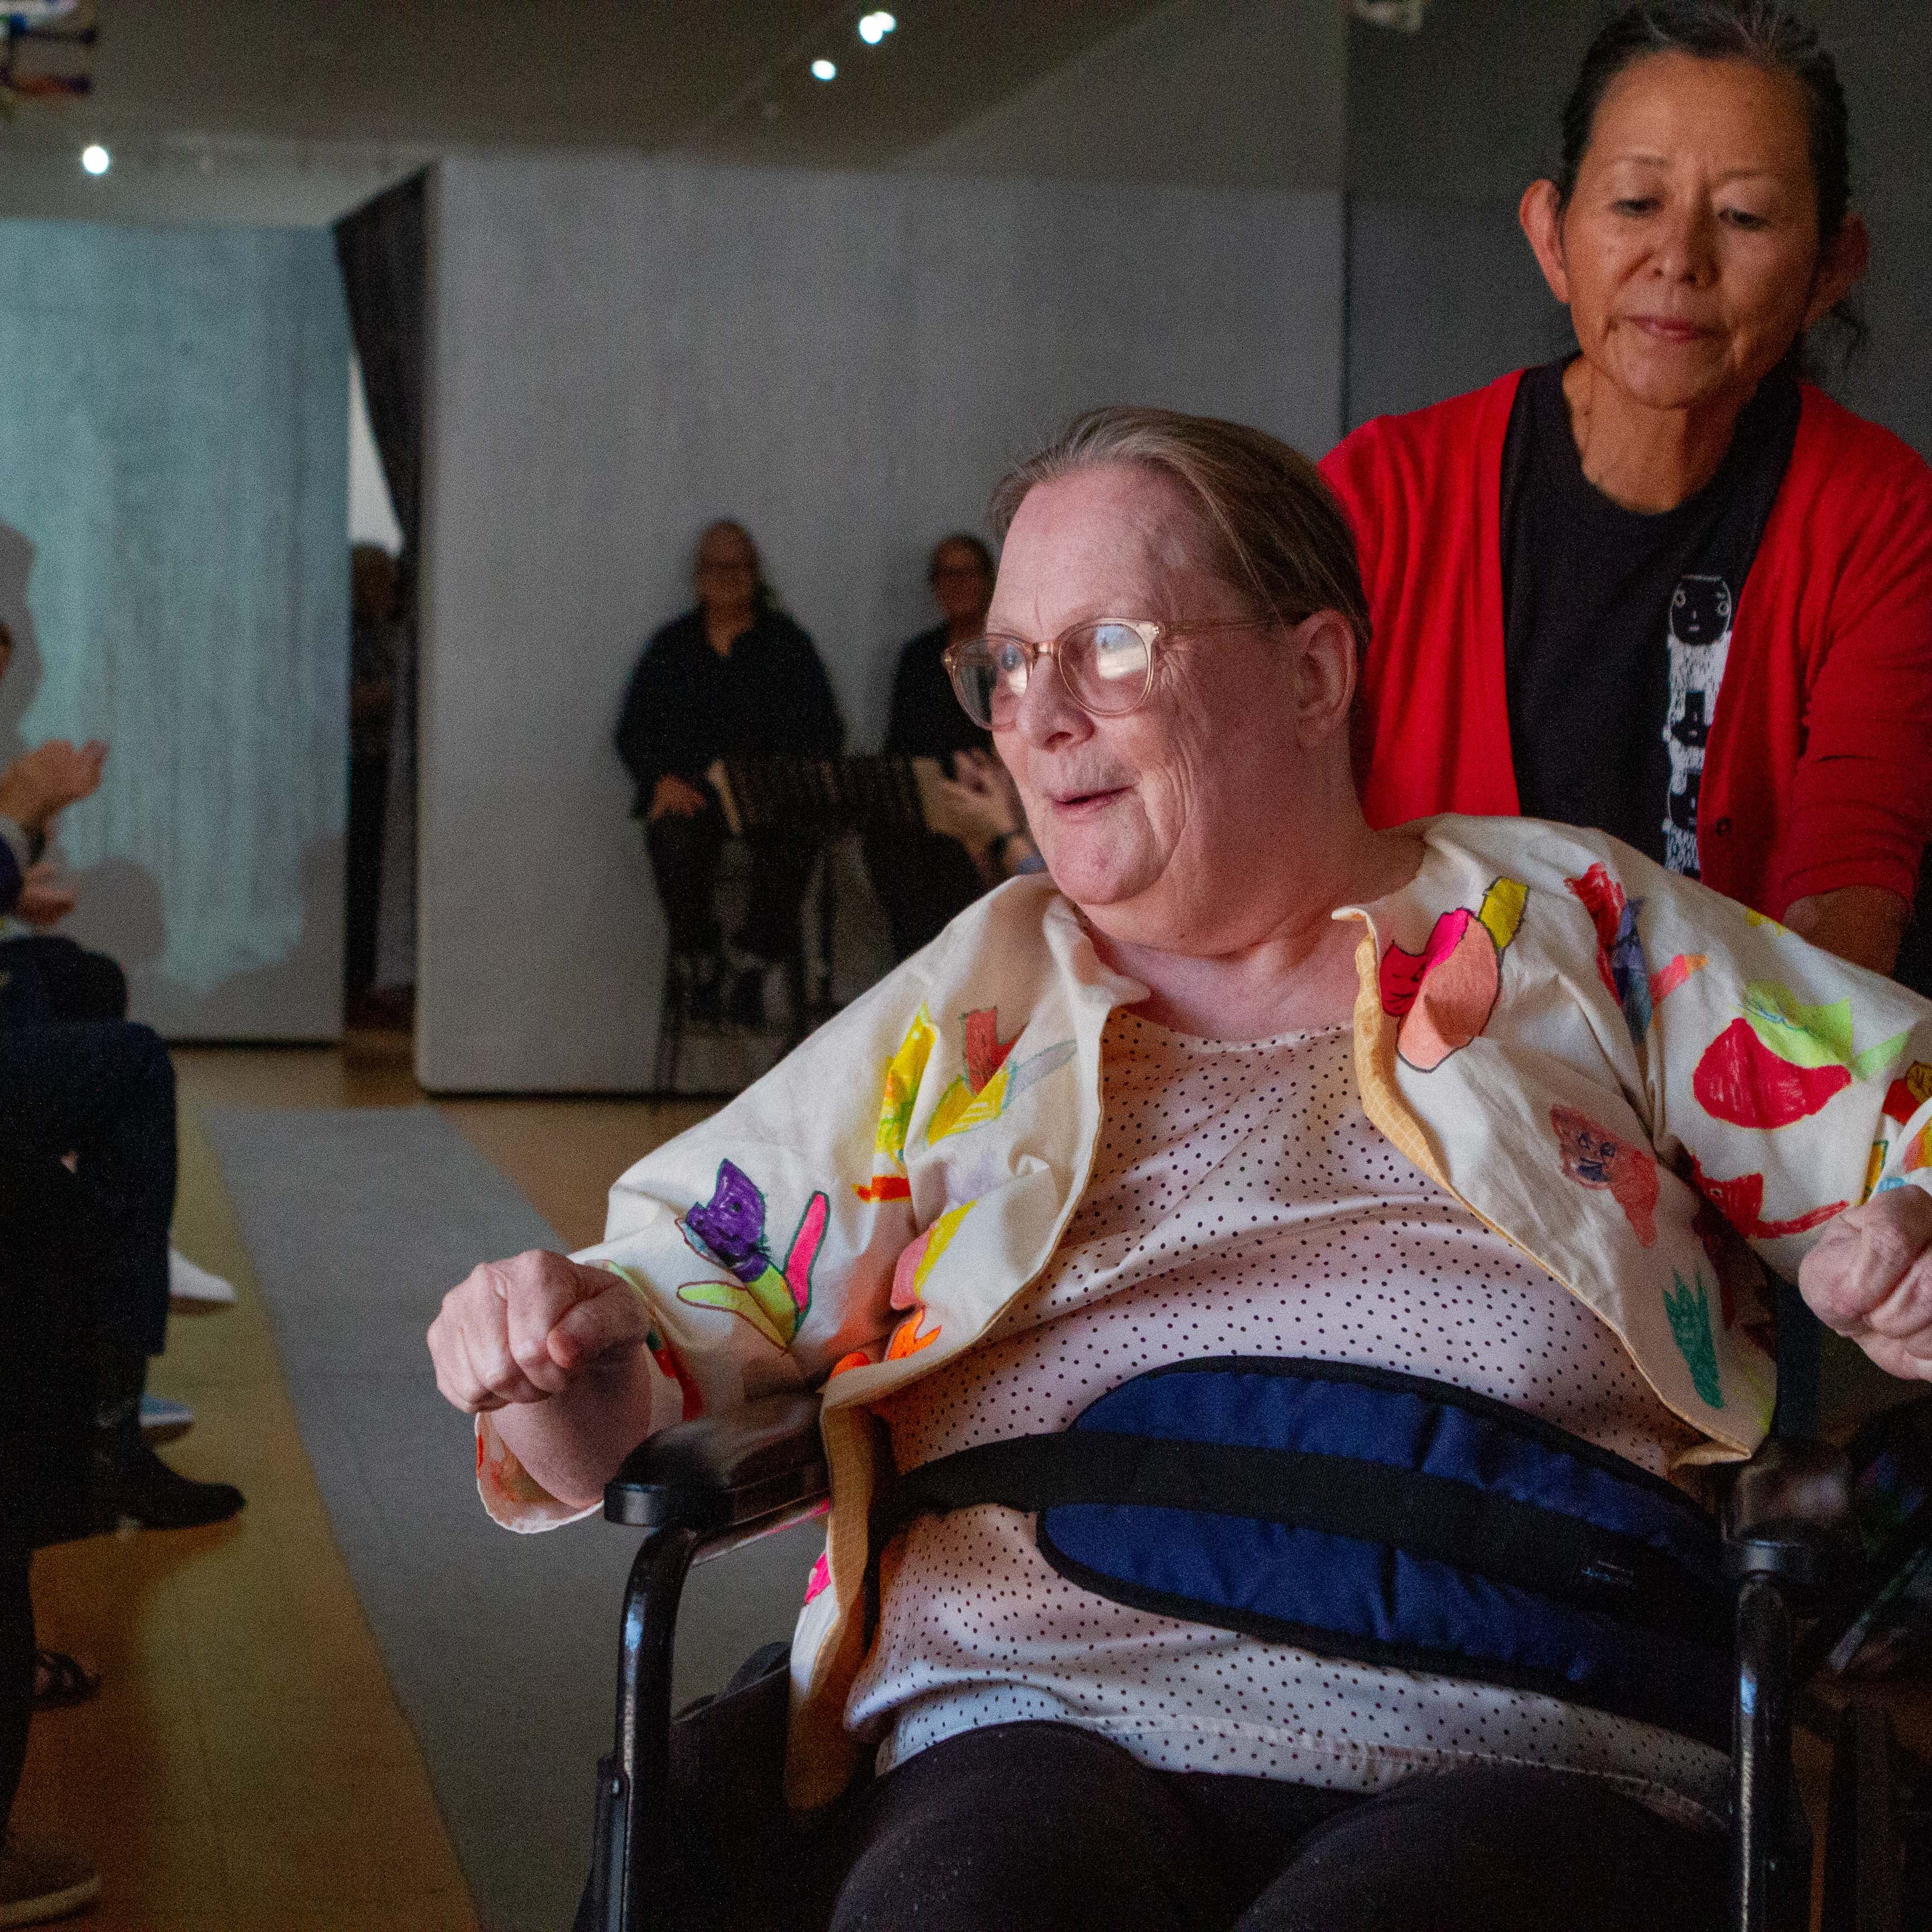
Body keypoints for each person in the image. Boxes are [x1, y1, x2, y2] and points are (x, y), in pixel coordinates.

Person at [432, 407, 1932, 1932]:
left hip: (1525, 1730)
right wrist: (565, 1367)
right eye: (1009, 662)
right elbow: (679, 1315)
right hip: (1028, 1712)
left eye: (1110, 645)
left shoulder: (1581, 932)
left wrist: (1909, 1242)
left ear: (1314, 672)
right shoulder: (961, 1013)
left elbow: (1904, 1118)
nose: (1036, 714)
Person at [1319, 0, 1932, 981]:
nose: (1680, 259)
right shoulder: (1382, 495)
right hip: (1419, 1089)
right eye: (1636, 204)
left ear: (1830, 268)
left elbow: (1846, 905)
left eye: (1744, 216)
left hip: (1749, 1095)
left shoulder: (1884, 519)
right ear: (1554, 238)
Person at [615, 521, 845, 1026]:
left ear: (757, 574)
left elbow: (826, 729)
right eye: (719, 566)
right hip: (694, 794)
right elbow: (633, 730)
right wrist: (659, 780)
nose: (730, 576)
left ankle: (754, 961)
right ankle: (700, 960)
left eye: (741, 566)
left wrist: (784, 779)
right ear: (699, 576)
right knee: (672, 837)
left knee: (798, 839)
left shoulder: (787, 644)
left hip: (770, 794)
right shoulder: (672, 646)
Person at [864, 536, 1002, 959]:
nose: (958, 583)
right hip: (930, 799)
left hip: (991, 790)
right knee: (889, 841)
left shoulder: (1008, 651)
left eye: (968, 572)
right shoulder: (919, 657)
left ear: (988, 581)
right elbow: (900, 745)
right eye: (947, 574)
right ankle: (918, 976)